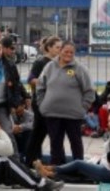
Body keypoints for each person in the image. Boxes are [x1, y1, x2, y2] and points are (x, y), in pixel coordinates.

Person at [37, 110, 110, 184]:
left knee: (78, 164)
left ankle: (51, 169)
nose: (108, 124)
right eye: (108, 121)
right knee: (80, 165)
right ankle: (51, 172)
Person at [36, 41, 95, 165]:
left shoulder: (80, 69)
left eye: (71, 52)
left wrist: (82, 108)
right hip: (52, 113)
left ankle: (78, 167)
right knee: (55, 144)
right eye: (66, 51)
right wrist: (42, 105)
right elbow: (40, 87)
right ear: (60, 51)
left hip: (73, 115)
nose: (68, 54)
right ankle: (57, 169)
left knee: (76, 143)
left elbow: (89, 92)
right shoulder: (49, 67)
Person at [25, 36, 62, 167]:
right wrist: (47, 83)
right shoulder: (41, 62)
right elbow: (31, 79)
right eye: (57, 47)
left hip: (54, 103)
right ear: (49, 48)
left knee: (44, 133)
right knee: (41, 132)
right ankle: (32, 160)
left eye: (60, 47)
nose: (60, 50)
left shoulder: (60, 63)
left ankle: (34, 160)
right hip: (41, 102)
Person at [12, 98, 34, 162]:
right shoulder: (12, 114)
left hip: (24, 135)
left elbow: (32, 125)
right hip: (15, 135)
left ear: (23, 106)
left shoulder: (29, 114)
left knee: (29, 132)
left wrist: (20, 127)